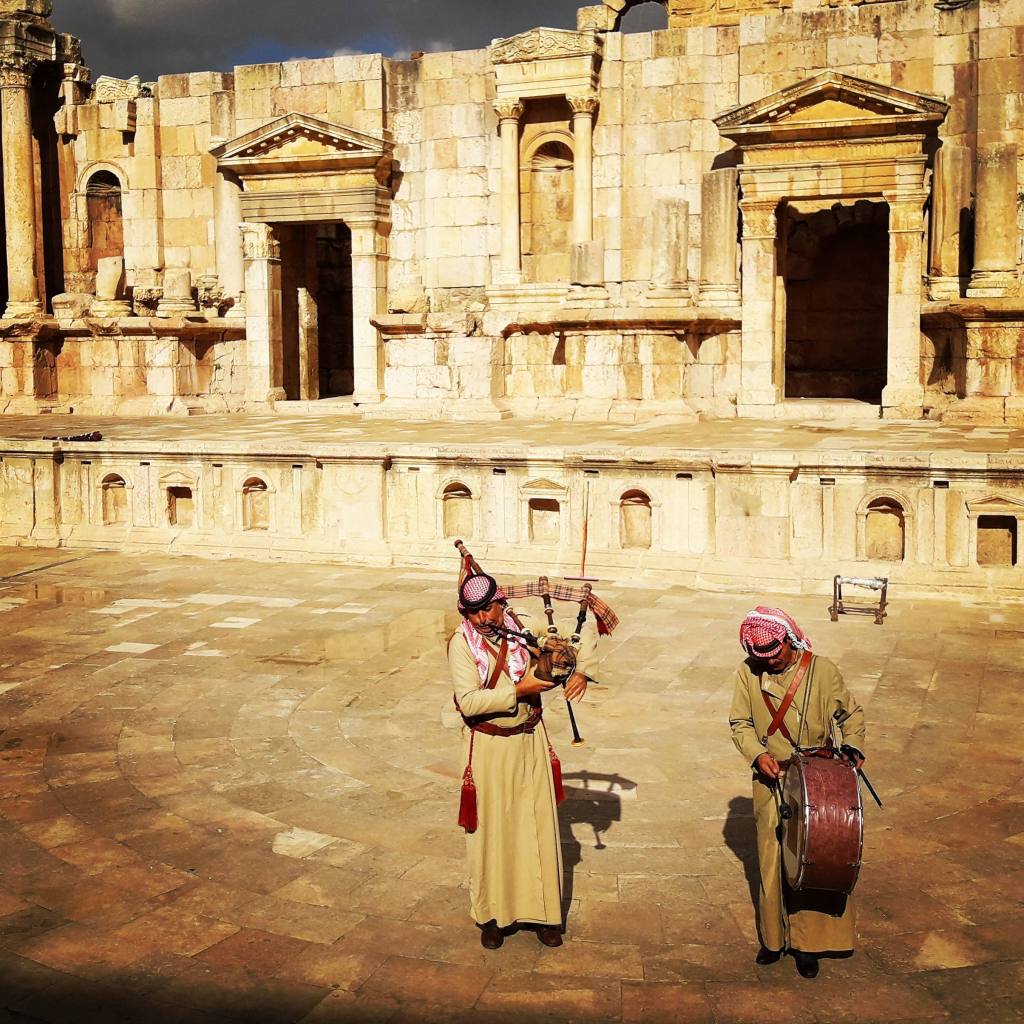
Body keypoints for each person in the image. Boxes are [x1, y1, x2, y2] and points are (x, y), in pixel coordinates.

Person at [448, 570, 590, 950]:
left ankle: (544, 915)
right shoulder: (461, 644)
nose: (483, 619)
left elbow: (576, 639)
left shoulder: (522, 627)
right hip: (489, 748)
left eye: (489, 609)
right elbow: (469, 702)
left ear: (501, 604)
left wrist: (581, 670)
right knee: (493, 833)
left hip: (530, 739)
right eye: (474, 612)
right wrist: (520, 689)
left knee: (536, 826)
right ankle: (492, 917)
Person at [728, 606, 866, 979]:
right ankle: (774, 941)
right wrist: (756, 755)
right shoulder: (748, 672)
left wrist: (853, 746)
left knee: (813, 855)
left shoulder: (823, 670)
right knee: (773, 857)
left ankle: (809, 945)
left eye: (776, 653)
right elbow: (740, 722)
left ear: (790, 640)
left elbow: (851, 716)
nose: (770, 661)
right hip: (771, 778)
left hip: (818, 780)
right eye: (763, 657)